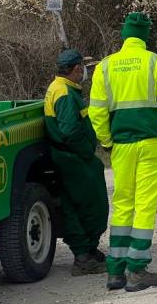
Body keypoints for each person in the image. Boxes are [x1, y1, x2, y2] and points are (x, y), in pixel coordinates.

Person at [89, 13, 157, 292]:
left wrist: (106, 140)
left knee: (123, 205)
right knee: (145, 206)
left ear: (124, 35)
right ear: (145, 36)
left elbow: (96, 110)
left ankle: (115, 272)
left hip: (121, 146)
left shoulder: (105, 67)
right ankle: (137, 270)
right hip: (153, 144)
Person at [43, 49, 108, 276]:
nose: (85, 72)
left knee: (74, 206)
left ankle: (87, 252)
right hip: (74, 158)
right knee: (92, 206)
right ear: (76, 69)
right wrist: (86, 152)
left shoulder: (61, 88)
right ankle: (83, 255)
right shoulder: (64, 94)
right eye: (83, 67)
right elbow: (70, 131)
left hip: (67, 157)